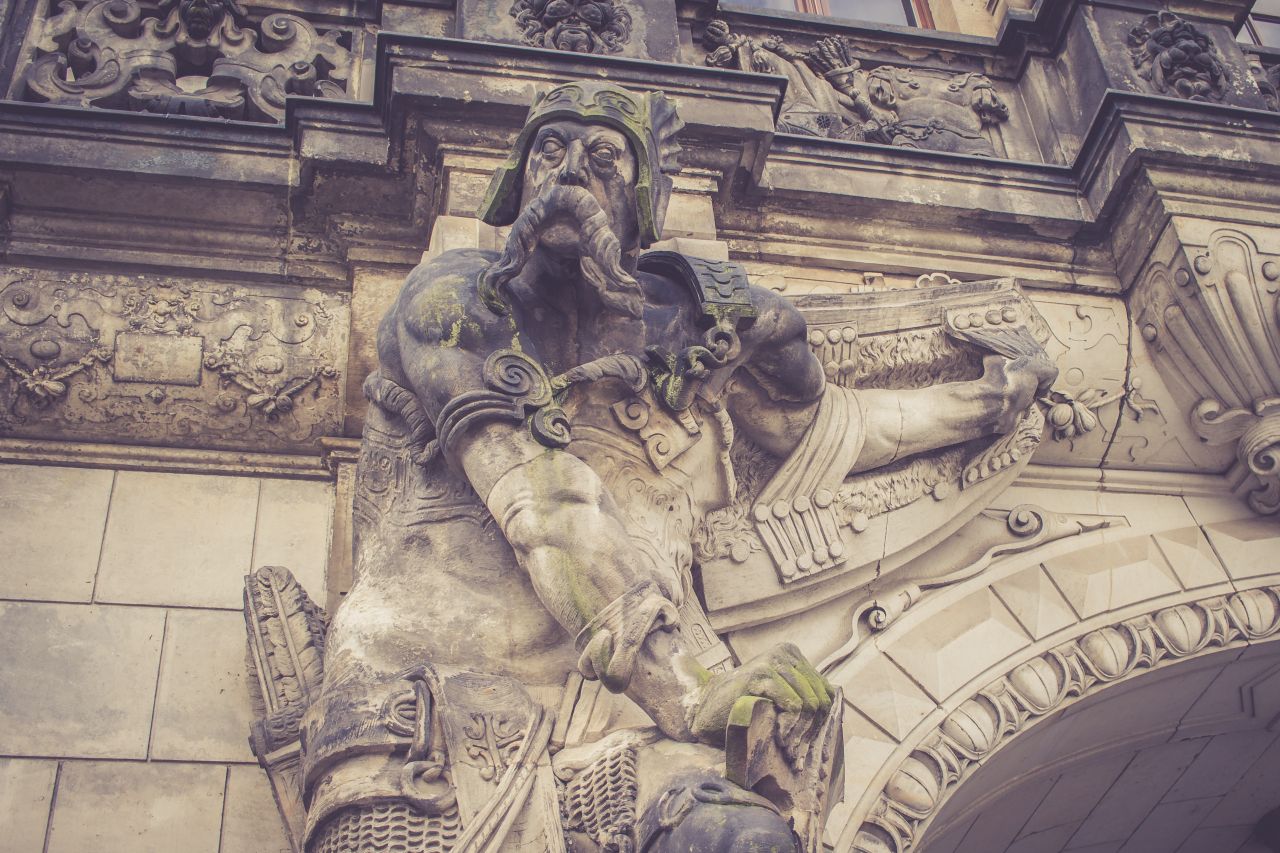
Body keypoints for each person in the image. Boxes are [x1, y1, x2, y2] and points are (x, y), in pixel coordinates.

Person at [302, 80, 1055, 852]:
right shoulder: (452, 302)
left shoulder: (687, 337)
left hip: (618, 720)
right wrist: (692, 691)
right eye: (549, 151)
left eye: (603, 159)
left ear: (640, 203)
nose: (569, 173)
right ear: (516, 181)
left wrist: (988, 402)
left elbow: (825, 428)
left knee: (748, 841)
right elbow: (542, 501)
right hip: (424, 716)